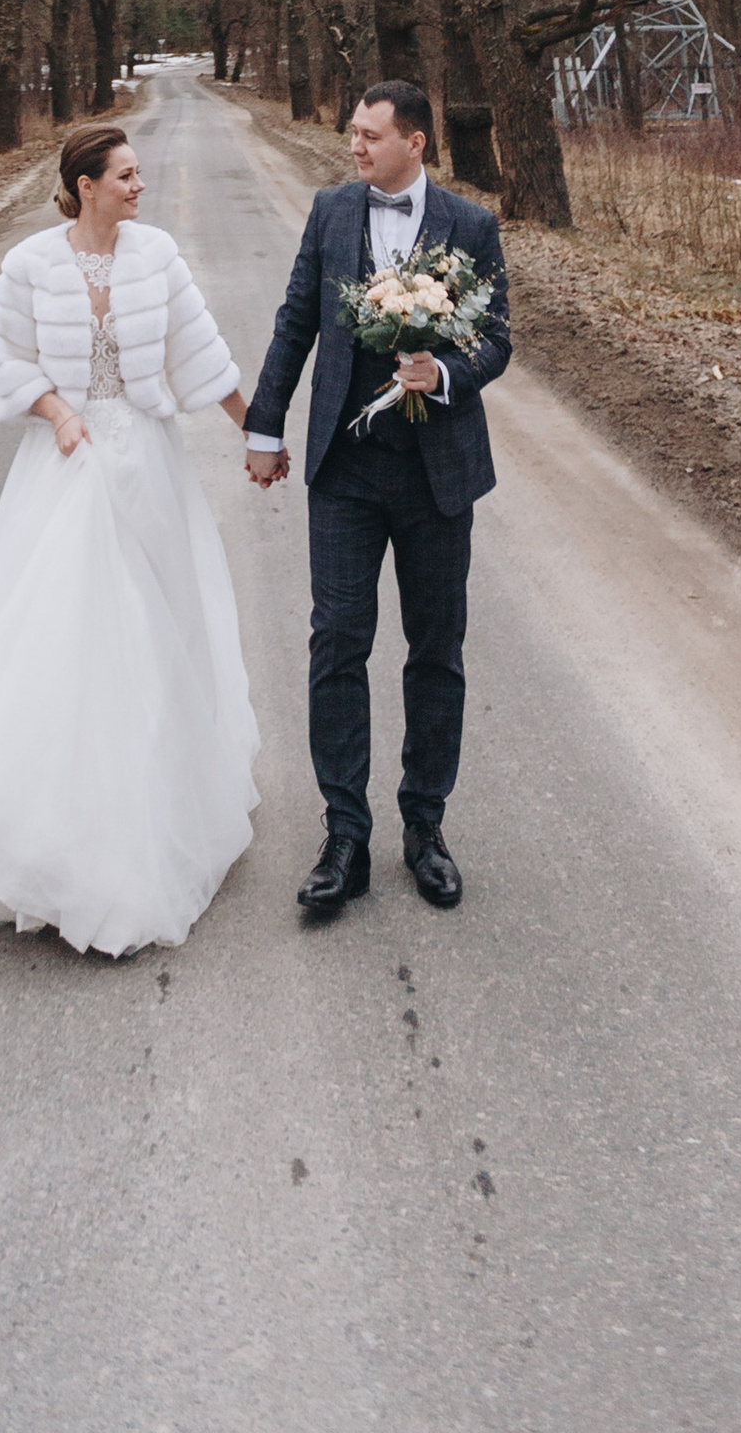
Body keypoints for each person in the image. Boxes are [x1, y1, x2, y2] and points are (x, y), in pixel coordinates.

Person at [0, 116, 261, 956]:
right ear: (87, 185)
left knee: (160, 618)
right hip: (69, 464)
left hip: (149, 460)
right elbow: (10, 361)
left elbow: (200, 355)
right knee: (68, 627)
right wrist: (61, 413)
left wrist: (260, 435)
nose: (141, 186)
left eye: (141, 175)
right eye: (128, 176)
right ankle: (48, 820)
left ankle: (160, 790)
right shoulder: (29, 265)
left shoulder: (159, 257)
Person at [244, 81, 509, 917]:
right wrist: (264, 426)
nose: (354, 147)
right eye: (352, 134)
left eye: (369, 135)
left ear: (417, 143)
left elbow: (497, 338)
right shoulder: (329, 213)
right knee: (337, 644)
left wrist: (448, 372)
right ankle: (345, 834)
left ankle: (425, 828)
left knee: (436, 650)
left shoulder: (471, 226)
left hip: (437, 478)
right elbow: (297, 322)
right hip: (346, 474)